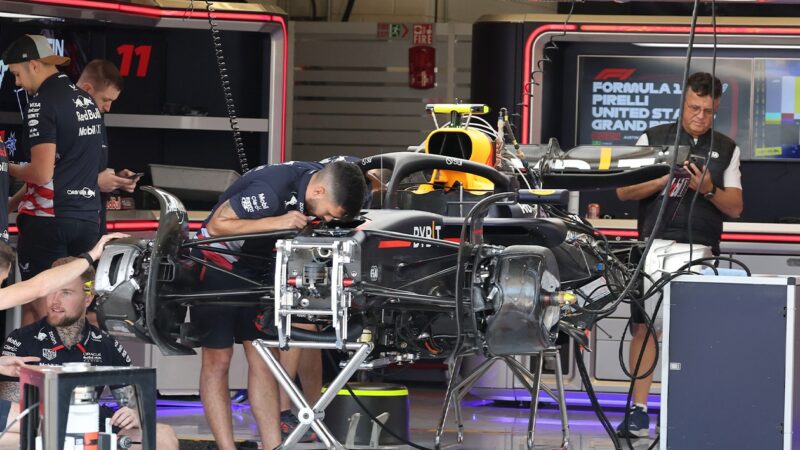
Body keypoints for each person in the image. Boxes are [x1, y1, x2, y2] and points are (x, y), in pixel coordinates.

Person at [193, 159, 366, 450]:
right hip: (216, 264)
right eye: (326, 214)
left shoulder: (315, 178)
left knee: (263, 359)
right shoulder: (273, 191)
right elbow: (218, 225)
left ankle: (273, 447)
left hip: (256, 270)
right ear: (319, 191)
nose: (324, 220)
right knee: (218, 360)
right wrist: (278, 221)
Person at [615, 72, 743, 438]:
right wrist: (663, 179)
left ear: (716, 108)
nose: (700, 116)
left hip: (699, 248)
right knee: (644, 326)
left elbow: (735, 206)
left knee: (693, 331)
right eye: (693, 108)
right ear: (683, 102)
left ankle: (686, 409)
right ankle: (639, 411)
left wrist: (707, 187)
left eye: (707, 110)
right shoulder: (653, 138)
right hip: (653, 245)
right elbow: (624, 191)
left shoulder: (727, 147)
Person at [0, 256, 178, 450]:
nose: (54, 301)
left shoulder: (105, 343)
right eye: (51, 292)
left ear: (88, 297)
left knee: (163, 436)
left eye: (66, 292)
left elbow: (132, 402)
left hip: (91, 422)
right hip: (40, 424)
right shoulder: (22, 339)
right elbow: (11, 414)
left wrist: (134, 413)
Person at [2, 35, 106, 325]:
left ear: (34, 65)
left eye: (17, 74)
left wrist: (5, 167)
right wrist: (12, 203)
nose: (18, 83)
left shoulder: (42, 104)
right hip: (87, 222)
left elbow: (41, 173)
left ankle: (26, 371)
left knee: (39, 309)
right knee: (75, 312)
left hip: (48, 223)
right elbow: (62, 170)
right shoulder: (86, 100)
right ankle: (75, 368)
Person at [76, 59, 140, 232]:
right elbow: (45, 177)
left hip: (94, 222)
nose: (108, 107)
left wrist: (117, 179)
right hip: (66, 222)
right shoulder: (60, 117)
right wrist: (95, 182)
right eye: (105, 99)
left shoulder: (97, 119)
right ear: (87, 89)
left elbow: (91, 171)